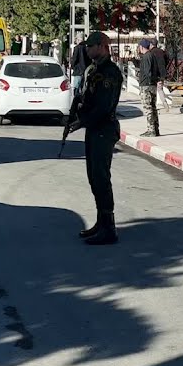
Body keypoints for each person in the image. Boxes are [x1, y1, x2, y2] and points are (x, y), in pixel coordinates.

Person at [66, 31, 123, 246]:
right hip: (94, 129)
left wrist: (82, 121)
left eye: (90, 46)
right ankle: (101, 222)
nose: (87, 50)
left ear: (102, 46)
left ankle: (109, 228)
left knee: (101, 177)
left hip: (103, 129)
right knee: (93, 177)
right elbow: (89, 99)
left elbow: (103, 106)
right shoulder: (93, 70)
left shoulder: (110, 72)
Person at [136, 39, 166, 137]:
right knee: (153, 107)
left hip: (146, 85)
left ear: (141, 47)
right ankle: (156, 129)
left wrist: (146, 81)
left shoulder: (146, 57)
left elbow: (147, 71)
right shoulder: (152, 55)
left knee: (148, 107)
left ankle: (151, 130)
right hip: (152, 84)